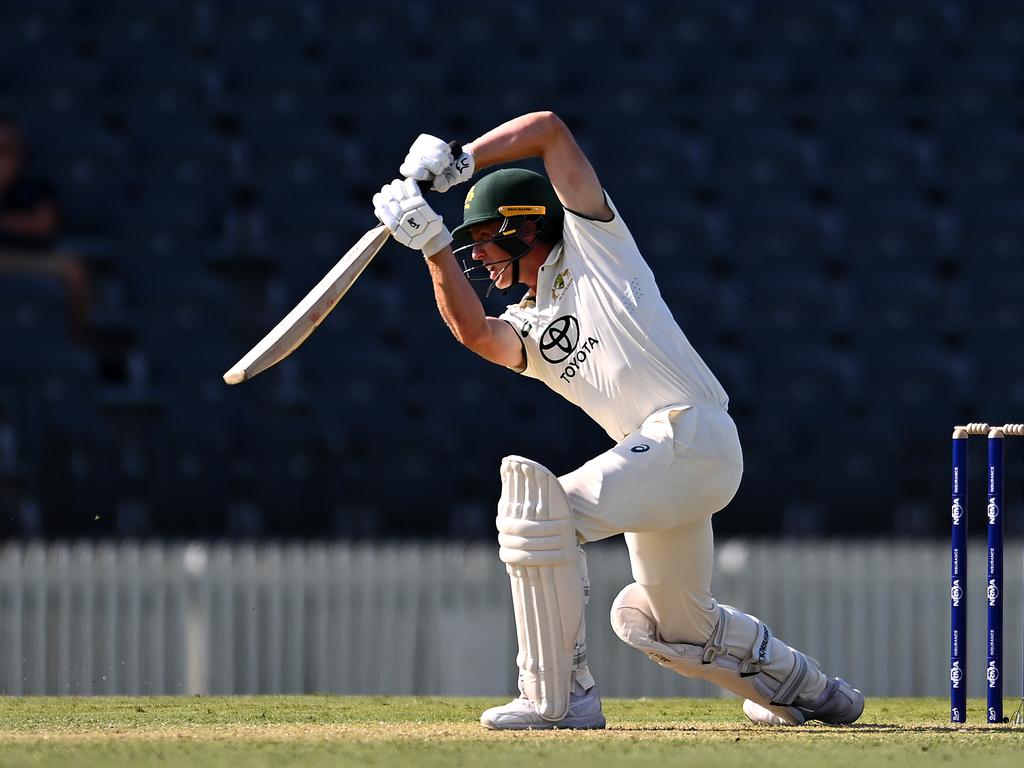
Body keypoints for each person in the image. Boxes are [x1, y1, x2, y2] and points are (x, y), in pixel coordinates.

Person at [372, 111, 864, 730]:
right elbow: (475, 333)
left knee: (540, 512)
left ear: (525, 229)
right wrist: (434, 248)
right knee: (668, 626)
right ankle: (811, 691)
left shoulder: (597, 248)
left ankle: (559, 698)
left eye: (483, 243)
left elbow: (549, 132)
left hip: (690, 432)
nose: (480, 261)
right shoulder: (527, 322)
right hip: (661, 461)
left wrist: (462, 158)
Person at [0, 115, 89, 340]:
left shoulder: (36, 186)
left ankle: (75, 339)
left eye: (8, 151)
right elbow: (31, 223)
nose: (3, 159)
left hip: (32, 256)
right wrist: (21, 221)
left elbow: (43, 225)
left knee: (74, 270)